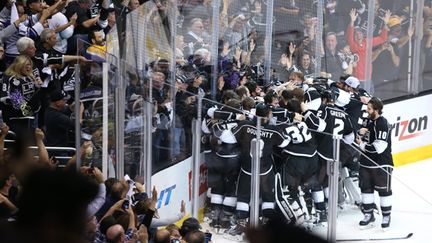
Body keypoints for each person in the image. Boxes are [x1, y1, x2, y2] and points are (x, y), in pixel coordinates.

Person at [355, 97, 393, 230]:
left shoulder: (382, 124)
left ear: (376, 110)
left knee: (384, 192)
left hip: (381, 164)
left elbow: (378, 149)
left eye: (369, 108)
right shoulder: (366, 120)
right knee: (366, 190)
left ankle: (386, 216)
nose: (367, 110)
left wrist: (361, 144)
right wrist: (359, 133)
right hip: (365, 163)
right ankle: (368, 215)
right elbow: (357, 135)